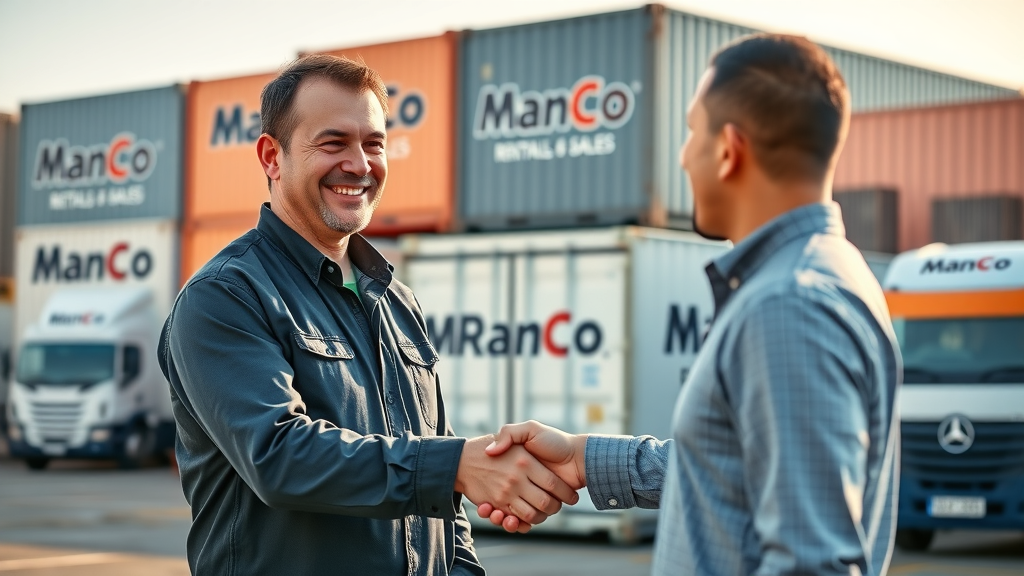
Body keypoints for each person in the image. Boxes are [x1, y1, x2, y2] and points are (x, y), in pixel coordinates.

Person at [479, 34, 902, 576]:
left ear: (728, 149)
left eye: (691, 132)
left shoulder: (788, 305)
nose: (683, 155)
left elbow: (810, 563)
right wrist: (583, 457)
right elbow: (742, 472)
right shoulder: (828, 272)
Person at [158, 55, 577, 575]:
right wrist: (453, 468)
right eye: (333, 143)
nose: (360, 164)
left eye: (374, 144)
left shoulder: (396, 300)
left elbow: (443, 502)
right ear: (272, 156)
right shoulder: (225, 296)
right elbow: (278, 457)